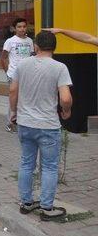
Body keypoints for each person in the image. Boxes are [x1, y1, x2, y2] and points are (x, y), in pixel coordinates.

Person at [9, 30, 73, 221]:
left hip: (25, 123)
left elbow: (13, 90)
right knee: (50, 167)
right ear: (54, 47)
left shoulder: (22, 65)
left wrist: (14, 113)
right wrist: (66, 111)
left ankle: (26, 203)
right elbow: (66, 98)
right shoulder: (60, 67)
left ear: (35, 46)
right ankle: (46, 208)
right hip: (48, 125)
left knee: (27, 163)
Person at [1, 18, 34, 133]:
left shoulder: (30, 41)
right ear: (14, 29)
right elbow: (4, 57)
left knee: (25, 99)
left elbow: (32, 57)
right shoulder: (10, 41)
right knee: (13, 99)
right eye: (19, 27)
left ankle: (23, 123)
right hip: (13, 74)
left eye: (24, 26)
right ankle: (10, 123)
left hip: (27, 75)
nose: (22, 29)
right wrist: (7, 72)